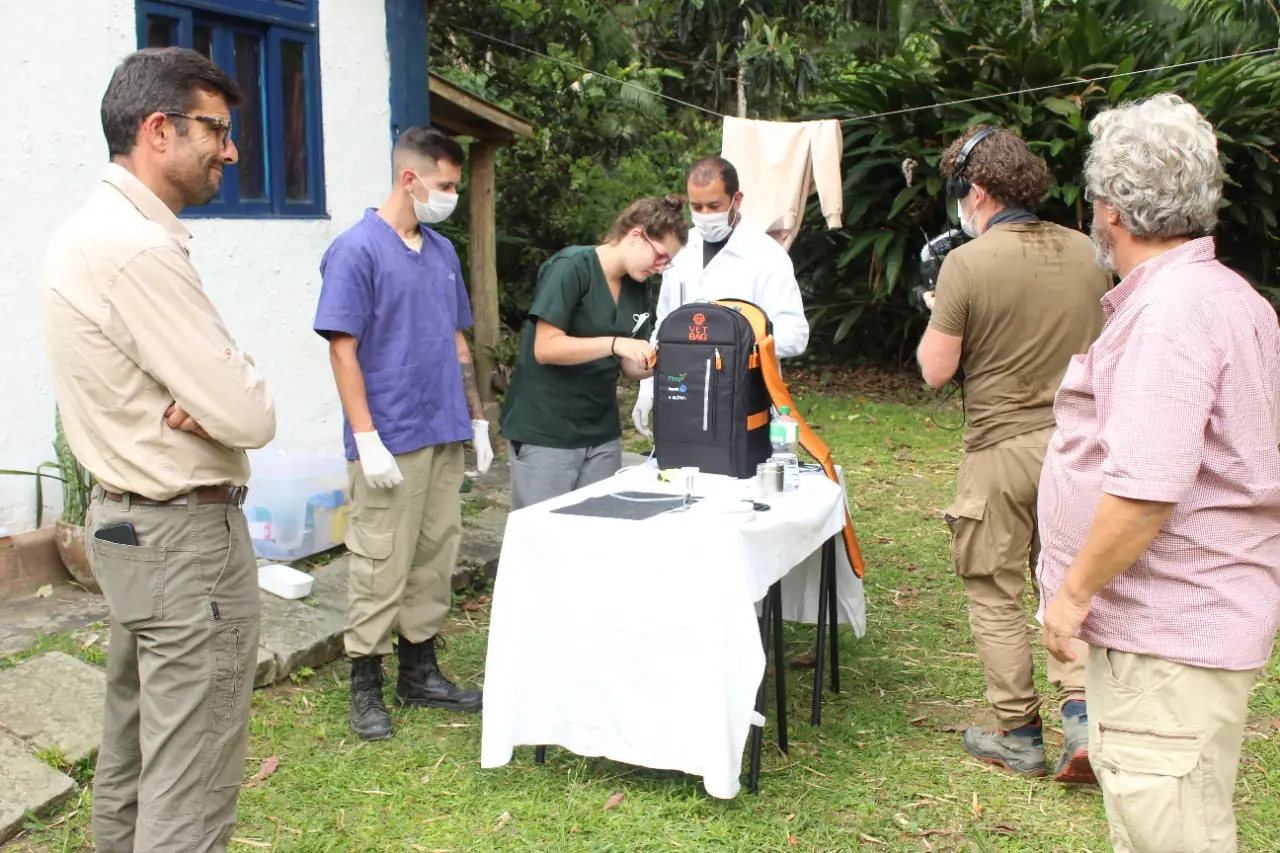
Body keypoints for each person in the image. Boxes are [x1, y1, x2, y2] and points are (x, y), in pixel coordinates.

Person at [40, 47, 277, 853]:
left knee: (136, 752)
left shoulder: (85, 232)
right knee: (192, 775)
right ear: (157, 130)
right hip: (182, 543)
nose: (232, 150)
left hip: (126, 527)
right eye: (217, 128)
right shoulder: (138, 248)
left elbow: (218, 401)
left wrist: (210, 403)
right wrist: (223, 404)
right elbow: (250, 407)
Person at [1039, 93, 1280, 853]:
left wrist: (1072, 595)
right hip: (1194, 620)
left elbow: (1145, 489)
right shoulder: (1228, 296)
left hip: (1169, 633)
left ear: (1108, 209)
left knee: (1171, 836)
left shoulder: (1172, 312)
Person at [915, 126, 1110, 782]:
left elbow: (935, 370)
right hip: (1078, 445)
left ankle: (1019, 732)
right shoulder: (1087, 251)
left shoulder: (967, 264)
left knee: (994, 588)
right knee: (1068, 578)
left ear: (975, 191)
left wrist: (937, 312)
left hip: (1000, 449)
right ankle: (1081, 714)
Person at [313, 126, 492, 742]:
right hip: (389, 435)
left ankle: (420, 672)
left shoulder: (441, 252)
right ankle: (365, 678)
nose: (449, 196)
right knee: (378, 559)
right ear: (409, 179)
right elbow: (343, 350)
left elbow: (456, 340)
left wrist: (477, 417)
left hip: (441, 427)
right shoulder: (356, 250)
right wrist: (365, 438)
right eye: (443, 185)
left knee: (435, 552)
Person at [499, 196, 687, 509]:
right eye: (660, 256)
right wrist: (613, 343)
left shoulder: (638, 285)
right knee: (546, 537)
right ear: (635, 236)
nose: (661, 267)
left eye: (668, 262)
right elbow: (545, 348)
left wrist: (672, 358)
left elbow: (630, 365)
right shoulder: (571, 267)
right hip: (546, 429)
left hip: (602, 431)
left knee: (596, 532)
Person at [631, 157, 809, 437]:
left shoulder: (767, 256)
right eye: (696, 206)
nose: (704, 214)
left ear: (736, 199)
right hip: (683, 395)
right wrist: (648, 389)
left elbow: (795, 335)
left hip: (746, 398)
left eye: (713, 206)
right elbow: (665, 329)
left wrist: (733, 339)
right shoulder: (681, 251)